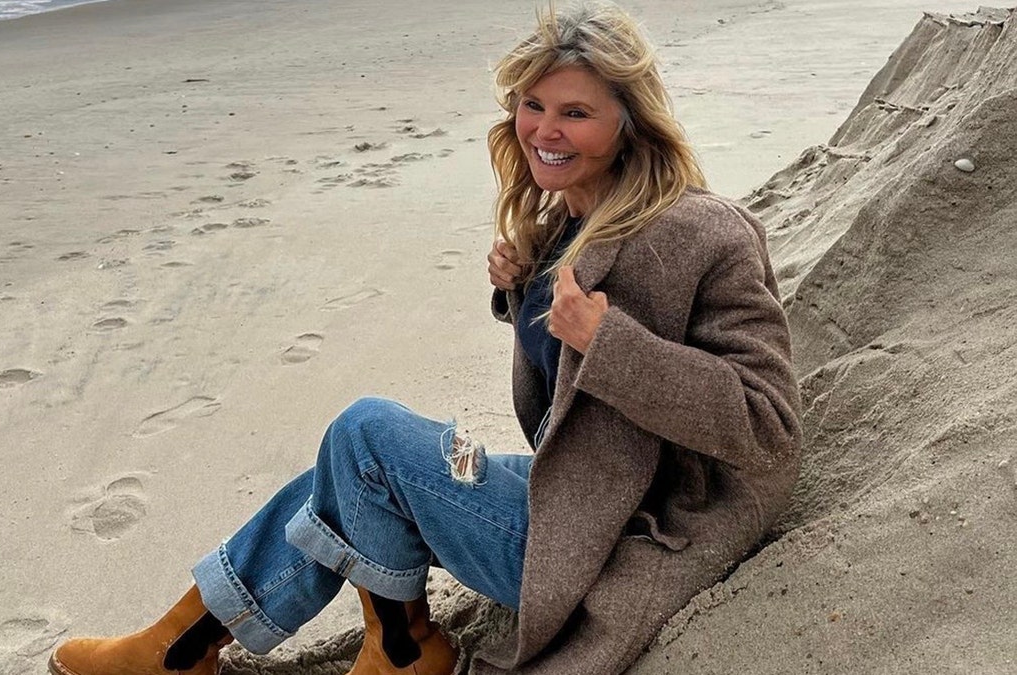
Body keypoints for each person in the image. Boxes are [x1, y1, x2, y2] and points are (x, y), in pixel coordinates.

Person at [47, 2, 801, 674]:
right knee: (344, 472)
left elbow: (767, 428)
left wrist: (610, 343)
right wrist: (523, 290)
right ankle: (187, 645)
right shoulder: (568, 223)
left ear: (629, 122)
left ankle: (389, 650)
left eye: (576, 112)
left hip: (625, 538)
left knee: (367, 432)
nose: (544, 129)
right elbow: (566, 401)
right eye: (532, 105)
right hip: (577, 495)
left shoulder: (705, 232)